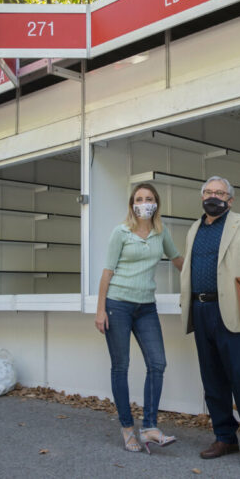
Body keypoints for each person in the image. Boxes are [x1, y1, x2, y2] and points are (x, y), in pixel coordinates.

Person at [179, 176, 240, 469]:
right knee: (213, 380)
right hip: (201, 310)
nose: (214, 196)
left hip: (236, 311)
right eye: (208, 192)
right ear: (201, 197)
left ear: (230, 200)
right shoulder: (194, 228)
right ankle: (225, 437)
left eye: (220, 193)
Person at [95, 183, 184, 454]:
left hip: (146, 307)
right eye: (139, 199)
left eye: (149, 198)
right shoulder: (120, 232)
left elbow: (178, 259)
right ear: (132, 204)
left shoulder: (161, 232)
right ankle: (126, 428)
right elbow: (107, 272)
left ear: (156, 202)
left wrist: (202, 273)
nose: (144, 202)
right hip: (117, 305)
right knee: (120, 366)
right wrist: (100, 310)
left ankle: (149, 428)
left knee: (157, 363)